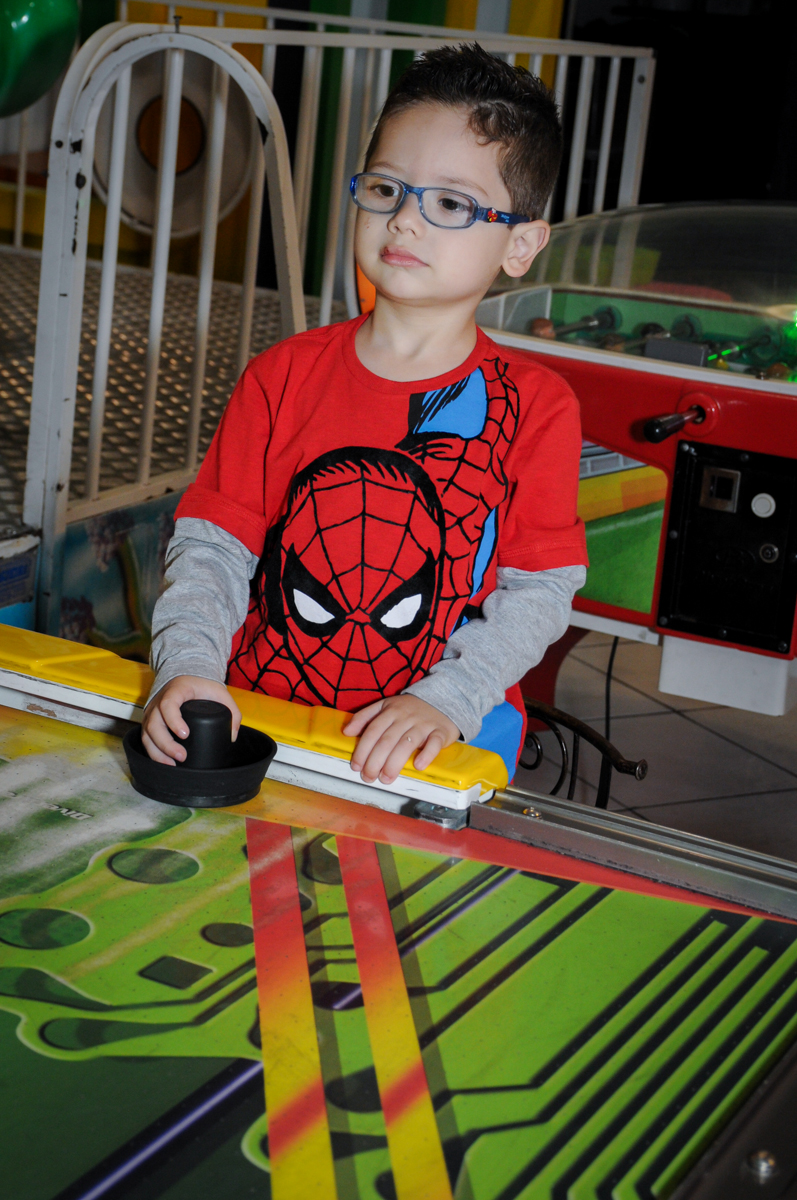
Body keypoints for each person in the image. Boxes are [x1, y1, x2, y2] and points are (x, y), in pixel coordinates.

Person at [142, 43, 588, 788]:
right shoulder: (280, 376)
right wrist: (185, 669)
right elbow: (214, 552)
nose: (405, 221)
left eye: (450, 203)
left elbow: (537, 592)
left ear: (519, 244)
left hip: (436, 748)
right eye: (386, 189)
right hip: (261, 722)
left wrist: (445, 700)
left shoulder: (536, 408)